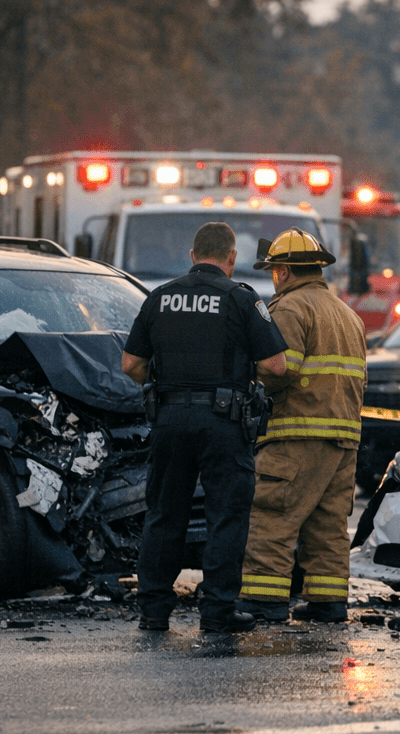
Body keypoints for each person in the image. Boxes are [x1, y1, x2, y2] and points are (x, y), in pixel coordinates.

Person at [121, 222, 289, 634]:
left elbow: (131, 365)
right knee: (225, 517)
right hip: (223, 423)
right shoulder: (241, 299)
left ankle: (154, 611)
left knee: (164, 514)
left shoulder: (159, 298)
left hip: (169, 420)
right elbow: (275, 365)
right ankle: (217, 612)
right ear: (231, 258)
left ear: (193, 255)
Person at [237, 228, 367, 624]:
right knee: (327, 524)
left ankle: (263, 598)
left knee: (272, 516)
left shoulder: (290, 309)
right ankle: (328, 602)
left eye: (276, 269)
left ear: (285, 271)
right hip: (343, 437)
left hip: (297, 434)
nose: (275, 277)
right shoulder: (347, 313)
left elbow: (279, 370)